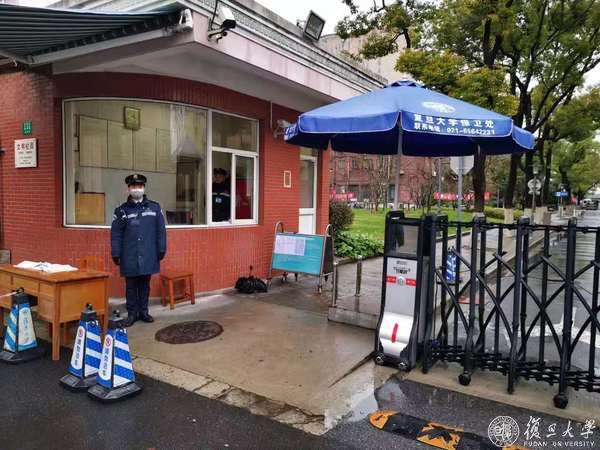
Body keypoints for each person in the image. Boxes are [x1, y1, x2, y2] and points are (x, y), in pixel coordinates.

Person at [111, 174, 167, 327]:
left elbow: (161, 230)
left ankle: (143, 312)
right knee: (130, 285)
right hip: (129, 254)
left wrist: (162, 248)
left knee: (144, 284)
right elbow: (116, 234)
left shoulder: (154, 208)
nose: (137, 189)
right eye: (134, 186)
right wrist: (115, 252)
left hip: (148, 253)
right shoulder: (121, 210)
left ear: (144, 188)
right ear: (129, 188)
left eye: (140, 186)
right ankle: (132, 314)